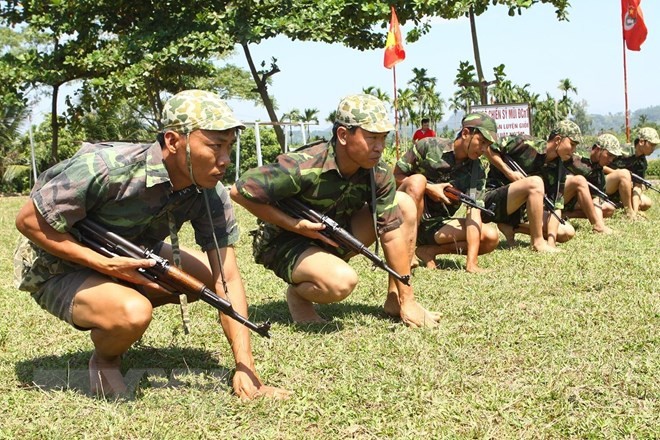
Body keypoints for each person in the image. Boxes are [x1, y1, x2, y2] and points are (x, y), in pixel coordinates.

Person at [14, 90, 290, 400]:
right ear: (173, 141)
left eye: (229, 146)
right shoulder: (107, 168)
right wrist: (104, 265)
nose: (225, 159)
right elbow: (28, 221)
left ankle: (115, 301)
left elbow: (228, 278)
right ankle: (105, 358)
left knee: (203, 280)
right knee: (133, 312)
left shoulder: (208, 191)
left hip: (129, 255)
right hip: (57, 265)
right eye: (215, 146)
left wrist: (245, 367)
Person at [230, 94, 440, 328]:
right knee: (342, 282)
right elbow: (240, 191)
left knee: (404, 204)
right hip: (286, 240)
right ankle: (299, 295)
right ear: (342, 135)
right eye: (371, 138)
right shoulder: (304, 165)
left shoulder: (377, 172)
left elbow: (391, 232)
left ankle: (395, 299)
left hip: (332, 234)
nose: (380, 147)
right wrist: (294, 224)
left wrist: (408, 298)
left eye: (383, 138)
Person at [394, 113, 500, 273]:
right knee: (417, 181)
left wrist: (472, 263)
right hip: (404, 218)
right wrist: (429, 188)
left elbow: (474, 213)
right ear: (465, 134)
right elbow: (395, 177)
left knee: (490, 237)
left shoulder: (476, 170)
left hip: (436, 225)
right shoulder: (428, 146)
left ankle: (428, 250)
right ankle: (407, 253)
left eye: (488, 145)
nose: (484, 149)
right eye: (482, 142)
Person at [483, 121, 585, 250]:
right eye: (572, 144)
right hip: (493, 203)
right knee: (535, 182)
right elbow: (488, 148)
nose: (574, 151)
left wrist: (551, 243)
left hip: (521, 211)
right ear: (558, 139)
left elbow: (556, 206)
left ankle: (511, 226)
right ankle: (537, 242)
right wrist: (509, 173)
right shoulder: (525, 143)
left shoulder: (559, 168)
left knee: (566, 232)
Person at [564, 133, 635, 220]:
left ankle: (567, 215)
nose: (610, 160)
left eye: (613, 157)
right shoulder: (575, 156)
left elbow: (597, 198)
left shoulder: (598, 171)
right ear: (598, 149)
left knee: (609, 209)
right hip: (560, 195)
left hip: (576, 200)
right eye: (609, 155)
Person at [609, 127, 659, 215]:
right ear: (641, 142)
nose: (653, 149)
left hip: (623, 189)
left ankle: (629, 210)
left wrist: (635, 211)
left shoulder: (642, 163)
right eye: (651, 144)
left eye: (655, 146)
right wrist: (619, 174)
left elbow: (637, 186)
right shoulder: (620, 151)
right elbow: (601, 166)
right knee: (624, 174)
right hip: (607, 183)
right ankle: (626, 209)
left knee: (646, 203)